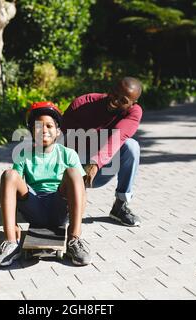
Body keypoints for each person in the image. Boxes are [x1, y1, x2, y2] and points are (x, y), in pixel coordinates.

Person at [0, 101, 92, 267]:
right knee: (9, 175)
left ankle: (74, 240)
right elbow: (15, 187)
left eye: (49, 126)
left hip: (59, 207)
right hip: (34, 206)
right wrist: (14, 225)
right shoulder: (24, 154)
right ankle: (10, 242)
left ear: (58, 131)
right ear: (32, 131)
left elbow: (81, 192)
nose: (44, 130)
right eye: (38, 126)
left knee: (73, 172)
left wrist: (77, 219)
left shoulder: (68, 154)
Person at [61, 77, 143, 227]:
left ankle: (120, 206)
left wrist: (95, 162)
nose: (115, 101)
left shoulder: (134, 112)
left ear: (132, 104)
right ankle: (63, 201)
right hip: (72, 168)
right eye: (114, 93)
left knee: (131, 147)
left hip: (100, 170)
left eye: (123, 100)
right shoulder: (84, 103)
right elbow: (62, 138)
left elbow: (117, 138)